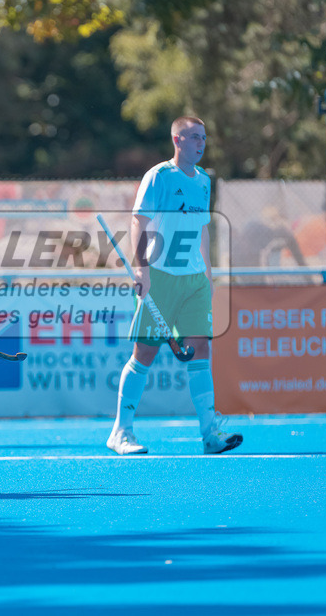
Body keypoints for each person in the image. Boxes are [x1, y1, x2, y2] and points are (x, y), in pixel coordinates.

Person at [106, 116, 243, 456]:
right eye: (195, 137)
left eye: (204, 138)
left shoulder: (204, 181)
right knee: (144, 355)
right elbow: (139, 221)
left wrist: (208, 273)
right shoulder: (159, 176)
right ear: (177, 140)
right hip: (162, 276)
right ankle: (121, 432)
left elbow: (203, 230)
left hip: (194, 280)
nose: (201, 143)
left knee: (201, 351)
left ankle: (210, 433)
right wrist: (142, 269)